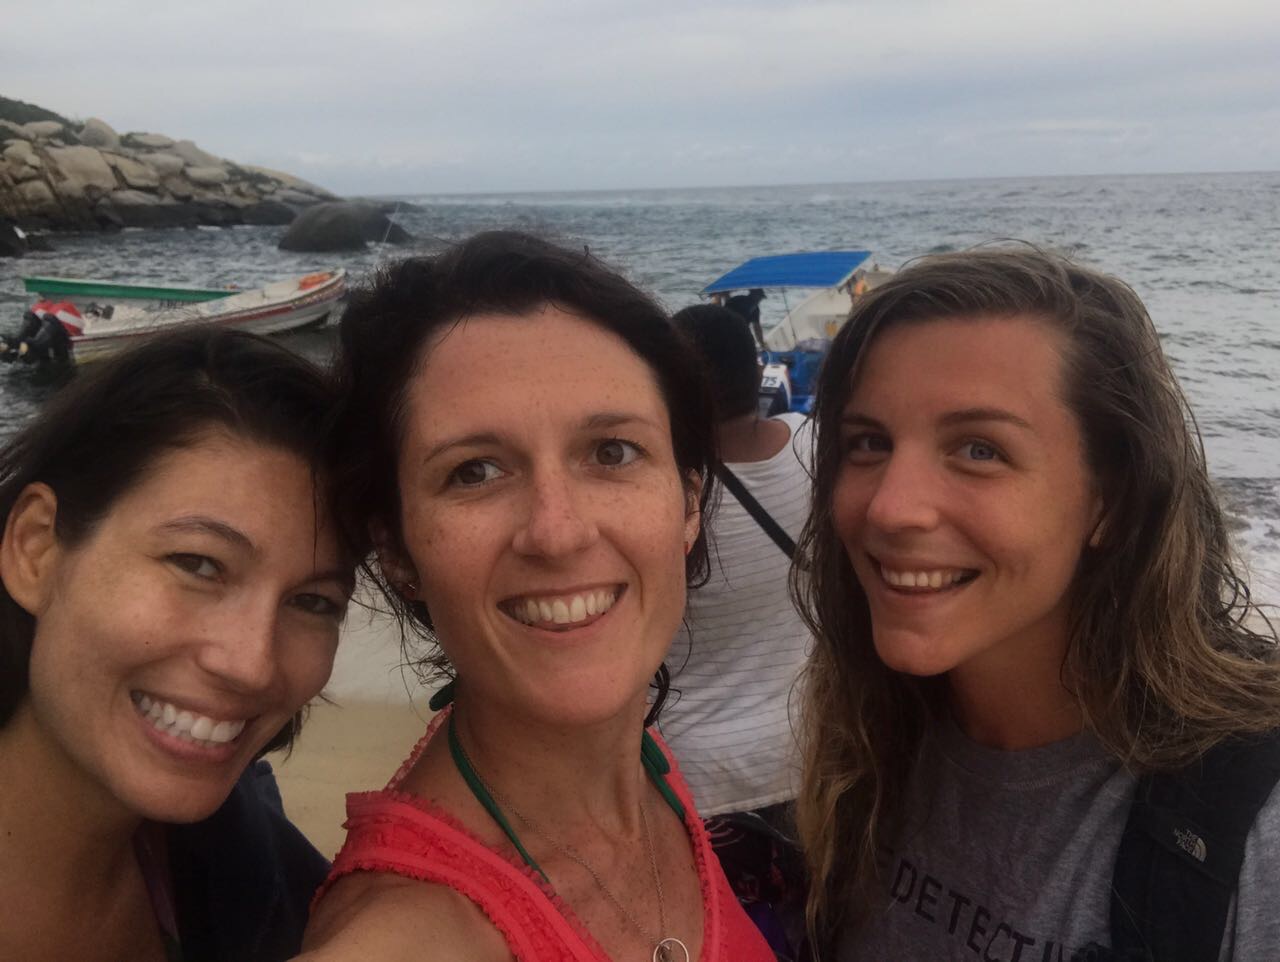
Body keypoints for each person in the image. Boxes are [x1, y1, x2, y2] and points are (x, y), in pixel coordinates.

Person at [793, 247, 1280, 960]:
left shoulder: (1253, 829)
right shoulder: (867, 746)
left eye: (979, 450)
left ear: (1112, 501)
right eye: (869, 443)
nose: (891, 508)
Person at [301, 231, 774, 962]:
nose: (557, 533)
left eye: (612, 452)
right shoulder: (402, 936)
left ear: (688, 502)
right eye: (475, 471)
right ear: (395, 550)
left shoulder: (644, 765)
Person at [0, 327, 356, 962]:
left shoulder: (246, 871)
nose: (252, 664)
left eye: (312, 602)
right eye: (198, 564)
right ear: (36, 549)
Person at [663, 303, 814, 958]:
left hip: (704, 783)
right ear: (757, 370)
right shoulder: (813, 445)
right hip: (819, 759)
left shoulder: (664, 495)